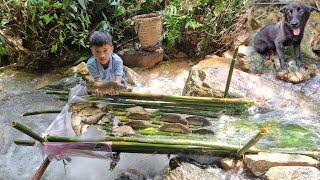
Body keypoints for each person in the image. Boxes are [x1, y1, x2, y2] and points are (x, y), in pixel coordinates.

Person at [86, 31, 126, 95]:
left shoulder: (117, 61)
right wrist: (98, 90)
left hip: (119, 82)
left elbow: (117, 82)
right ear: (92, 51)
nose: (102, 55)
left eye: (105, 50)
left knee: (121, 95)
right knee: (97, 95)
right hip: (103, 84)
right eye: (97, 51)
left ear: (111, 49)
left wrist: (115, 89)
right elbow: (99, 82)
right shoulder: (91, 64)